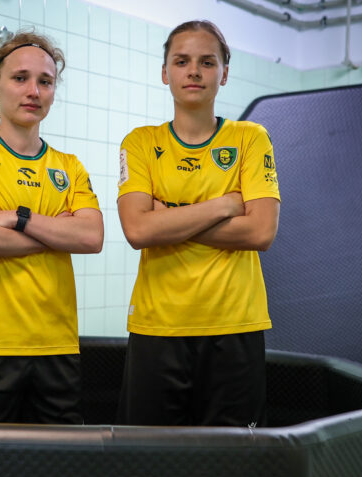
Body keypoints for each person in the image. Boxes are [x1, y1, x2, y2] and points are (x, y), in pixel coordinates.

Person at [116, 20, 281, 427]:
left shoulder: (250, 138)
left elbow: (261, 232)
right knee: (150, 456)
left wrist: (167, 217)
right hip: (158, 328)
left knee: (232, 460)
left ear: (224, 73)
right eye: (182, 61)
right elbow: (137, 231)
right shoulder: (140, 143)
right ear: (165, 72)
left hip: (235, 327)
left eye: (207, 62)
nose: (194, 71)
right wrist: (224, 205)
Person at [0, 29, 104, 424]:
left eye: (45, 81)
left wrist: (19, 219)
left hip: (57, 349)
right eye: (20, 78)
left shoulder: (69, 166)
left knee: (60, 460)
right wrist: (56, 235)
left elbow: (91, 236)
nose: (34, 91)